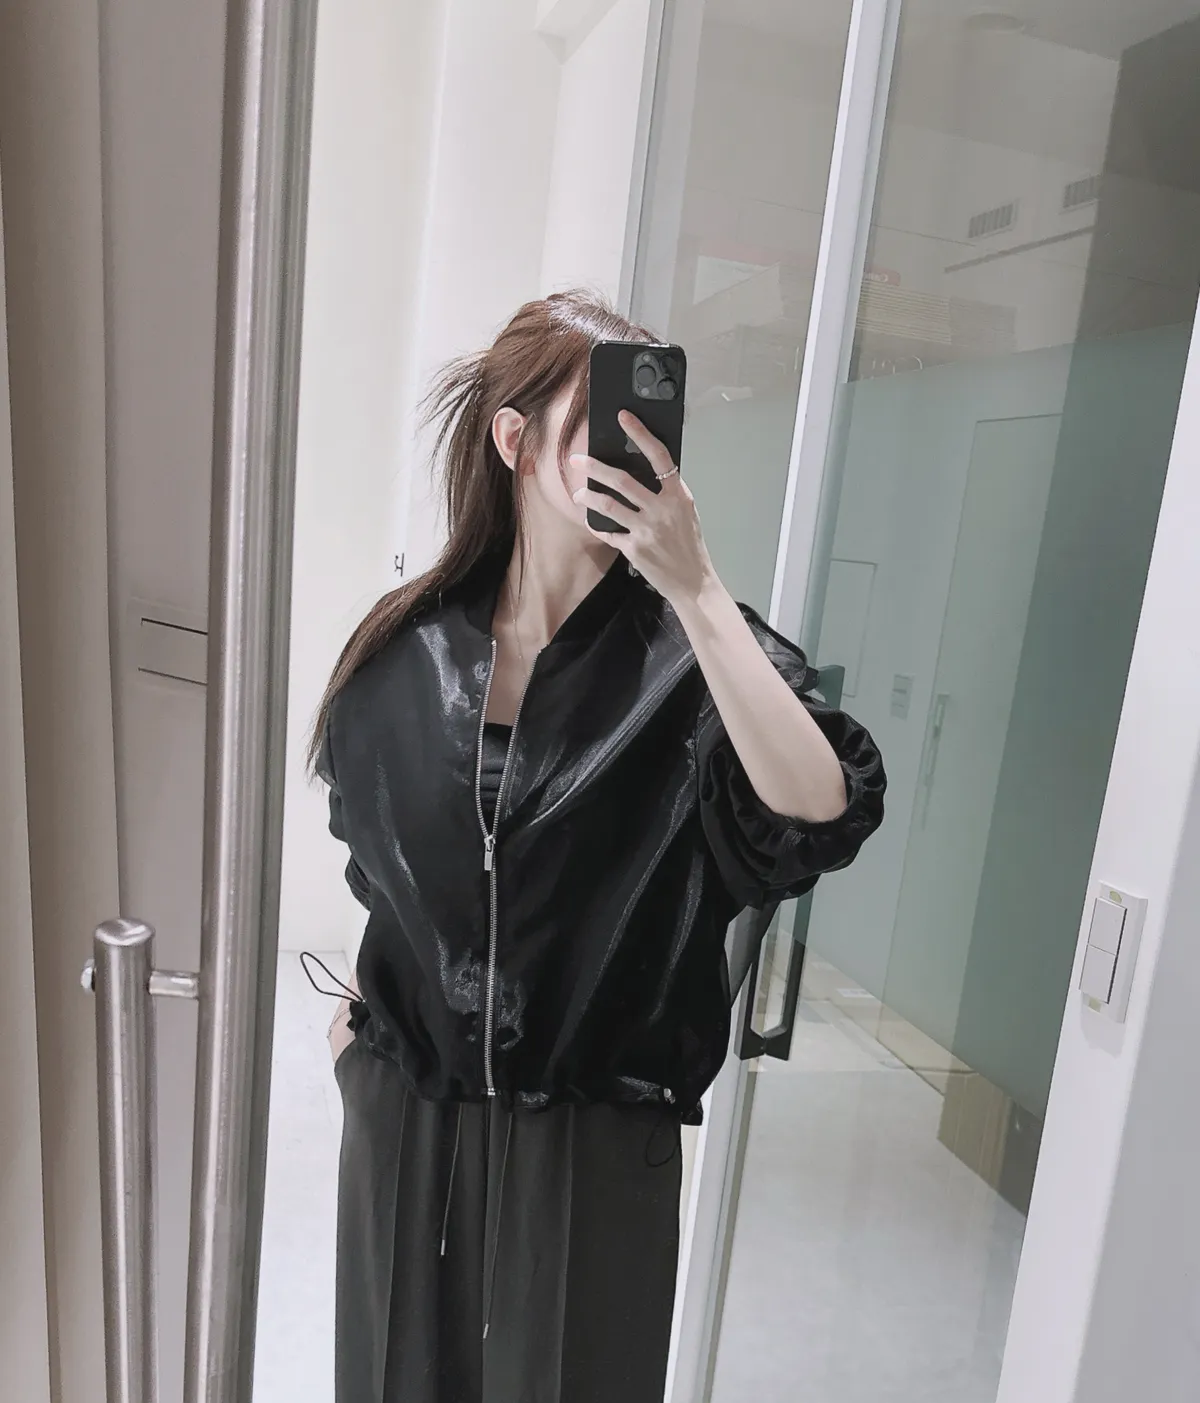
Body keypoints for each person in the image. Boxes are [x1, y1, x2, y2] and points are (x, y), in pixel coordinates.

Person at [307, 290, 885, 1403]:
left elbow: (817, 812)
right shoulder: (406, 653)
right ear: (514, 440)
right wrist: (359, 1044)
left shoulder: (695, 665)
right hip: (408, 1122)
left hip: (596, 1144)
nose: (634, 453)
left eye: (649, 426)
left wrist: (697, 587)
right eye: (599, 425)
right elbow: (378, 868)